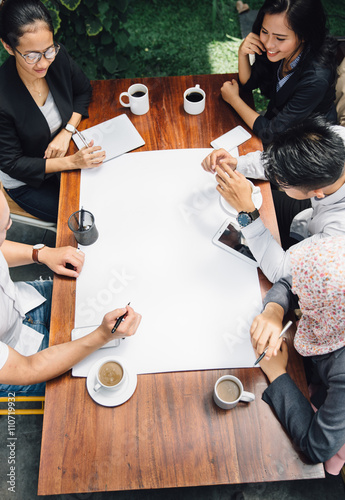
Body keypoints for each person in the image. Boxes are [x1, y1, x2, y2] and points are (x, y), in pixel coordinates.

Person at [0, 189, 141, 395]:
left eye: (8, 220)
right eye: (4, 228)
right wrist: (102, 336)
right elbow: (28, 368)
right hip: (22, 357)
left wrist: (41, 253)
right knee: (88, 381)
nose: (11, 226)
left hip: (26, 299)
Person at [201, 116, 345, 283]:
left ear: (317, 192)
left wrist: (248, 213)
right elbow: (281, 160)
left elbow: (280, 271)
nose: (274, 175)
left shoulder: (338, 234)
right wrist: (237, 163)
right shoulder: (331, 137)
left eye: (281, 183)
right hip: (308, 215)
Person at [0, 0, 106, 223]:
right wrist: (72, 162)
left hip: (66, 153)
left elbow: (83, 91)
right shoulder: (3, 97)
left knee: (107, 195)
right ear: (8, 47)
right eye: (31, 55)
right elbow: (12, 164)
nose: (44, 62)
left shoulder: (57, 58)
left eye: (49, 50)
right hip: (27, 182)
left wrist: (67, 131)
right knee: (86, 218)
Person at [250, 236, 345, 473]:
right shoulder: (332, 266)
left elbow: (317, 447)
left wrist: (278, 374)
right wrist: (274, 309)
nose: (299, 294)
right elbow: (291, 282)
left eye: (308, 301)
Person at [221, 0, 337, 144]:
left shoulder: (316, 78)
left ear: (303, 36)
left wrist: (234, 100)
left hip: (307, 141)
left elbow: (271, 134)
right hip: (279, 123)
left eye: (280, 38)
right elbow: (248, 85)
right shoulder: (281, 52)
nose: (269, 44)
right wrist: (242, 53)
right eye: (264, 31)